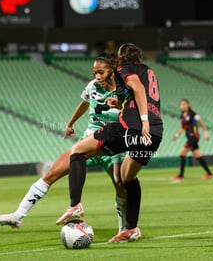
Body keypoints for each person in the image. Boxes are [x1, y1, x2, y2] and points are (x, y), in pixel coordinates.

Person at [0, 53, 127, 232]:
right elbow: (84, 104)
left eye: (101, 72)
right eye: (95, 73)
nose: (97, 77)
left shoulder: (125, 90)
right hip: (88, 141)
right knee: (51, 174)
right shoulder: (92, 86)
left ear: (112, 70)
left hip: (113, 146)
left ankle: (124, 229)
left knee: (121, 186)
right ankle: (18, 215)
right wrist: (70, 124)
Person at [56, 43, 163, 243]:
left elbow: (138, 89)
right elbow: (141, 93)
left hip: (131, 128)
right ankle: (131, 228)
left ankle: (75, 204)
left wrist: (144, 120)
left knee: (77, 150)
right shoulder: (149, 71)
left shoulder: (123, 68)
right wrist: (120, 103)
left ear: (121, 59)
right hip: (155, 134)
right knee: (127, 176)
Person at [171, 99, 213, 181]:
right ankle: (209, 174)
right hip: (189, 137)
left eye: (184, 104)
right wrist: (176, 135)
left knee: (182, 153)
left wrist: (206, 132)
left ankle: (181, 175)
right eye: (181, 104)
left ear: (188, 105)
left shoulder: (193, 114)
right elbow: (182, 127)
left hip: (194, 137)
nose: (182, 106)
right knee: (198, 155)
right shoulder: (182, 116)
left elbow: (201, 122)